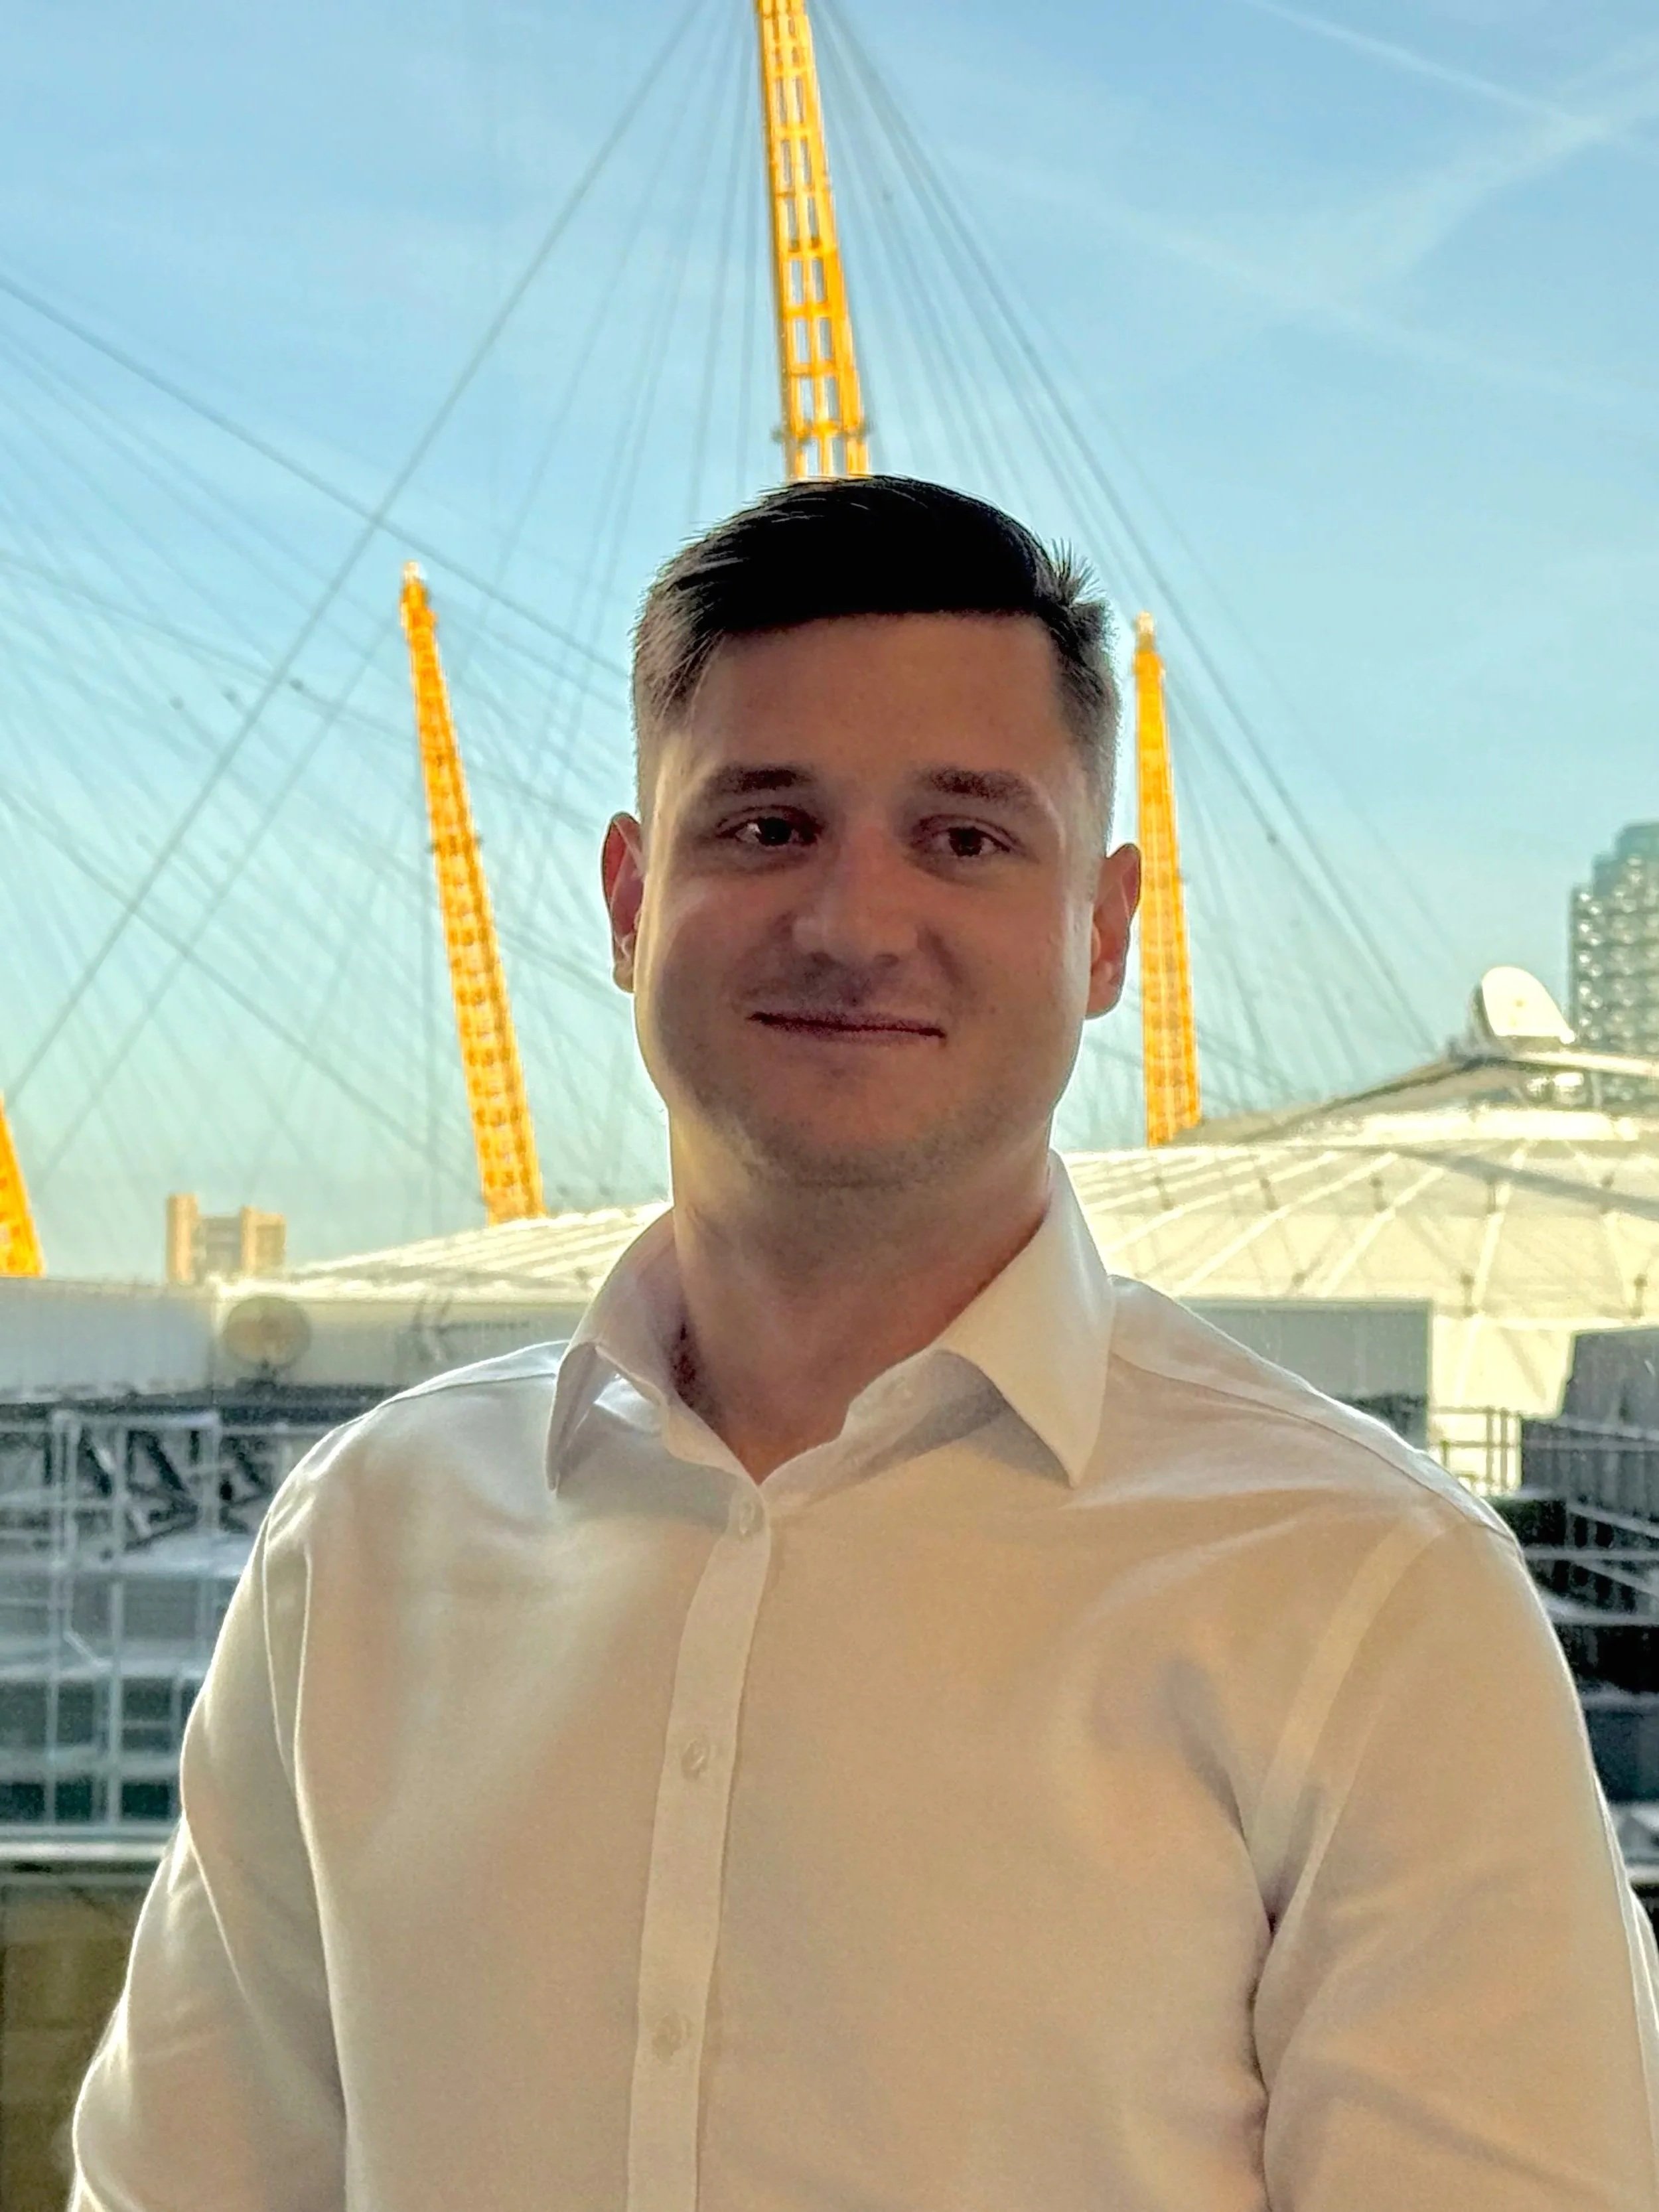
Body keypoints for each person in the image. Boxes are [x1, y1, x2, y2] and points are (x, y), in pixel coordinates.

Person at [72, 476, 1658, 2210]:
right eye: (764, 827)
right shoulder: (369, 1545)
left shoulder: (1366, 1598)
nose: (851, 922)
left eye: (964, 836)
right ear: (624, 893)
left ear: (1106, 926)